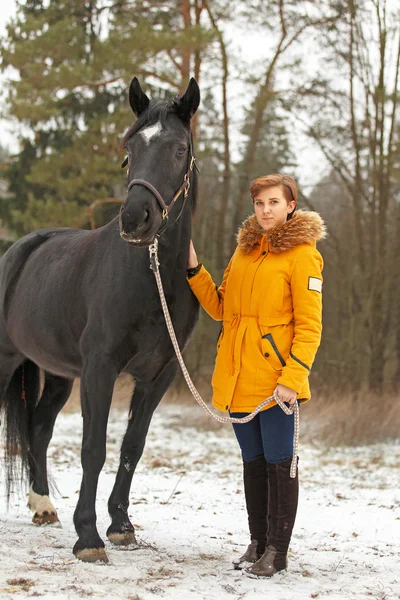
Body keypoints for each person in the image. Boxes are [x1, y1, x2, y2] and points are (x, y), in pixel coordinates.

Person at [186, 174, 325, 578]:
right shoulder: (243, 253)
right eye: (260, 203)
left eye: (274, 202)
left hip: (277, 384)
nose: (266, 210)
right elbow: (221, 308)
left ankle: (278, 552)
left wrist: (292, 378)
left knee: (282, 465)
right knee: (253, 463)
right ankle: (259, 542)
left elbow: (310, 327)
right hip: (237, 379)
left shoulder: (304, 256)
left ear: (290, 206)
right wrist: (194, 268)